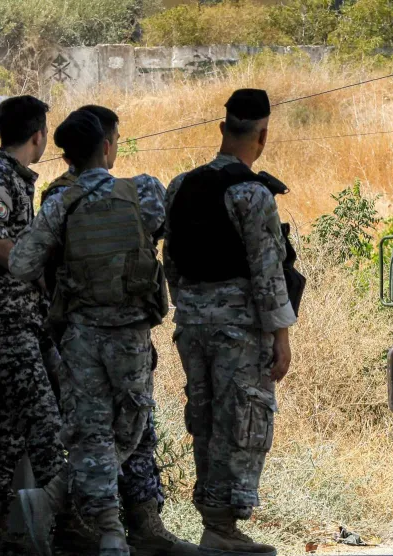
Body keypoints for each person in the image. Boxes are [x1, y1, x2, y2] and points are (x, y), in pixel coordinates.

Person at [34, 105, 198, 556]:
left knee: (119, 433)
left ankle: (135, 526)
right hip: (109, 336)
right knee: (117, 430)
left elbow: (28, 265)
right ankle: (87, 521)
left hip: (80, 337)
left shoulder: (57, 199)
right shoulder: (137, 193)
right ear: (107, 145)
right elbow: (167, 231)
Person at [164, 89, 296, 555]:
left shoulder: (180, 185)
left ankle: (214, 523)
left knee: (205, 418)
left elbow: (172, 262)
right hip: (239, 329)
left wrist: (190, 306)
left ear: (222, 129)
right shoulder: (251, 193)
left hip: (192, 324)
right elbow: (267, 271)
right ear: (263, 135)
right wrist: (280, 335)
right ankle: (222, 527)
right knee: (243, 420)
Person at [0, 95, 67, 556]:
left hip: (23, 319)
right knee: (45, 425)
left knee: (6, 431)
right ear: (38, 134)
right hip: (9, 323)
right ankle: (69, 530)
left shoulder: (14, 180)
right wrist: (39, 268)